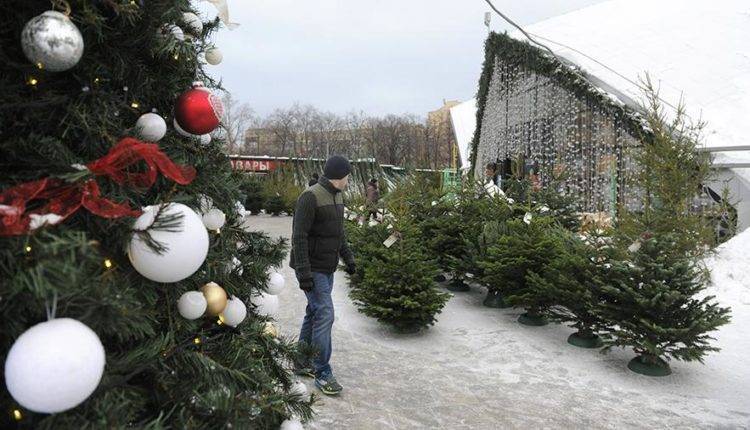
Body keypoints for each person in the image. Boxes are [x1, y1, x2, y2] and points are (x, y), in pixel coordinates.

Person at [289, 155, 356, 396]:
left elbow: (339, 234)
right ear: (340, 175)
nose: (349, 179)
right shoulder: (311, 196)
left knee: (314, 312)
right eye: (348, 175)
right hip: (312, 267)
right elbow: (299, 236)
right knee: (325, 313)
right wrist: (304, 273)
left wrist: (349, 259)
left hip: (327, 267)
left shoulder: (338, 196)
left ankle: (301, 360)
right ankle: (322, 370)